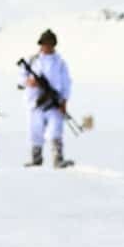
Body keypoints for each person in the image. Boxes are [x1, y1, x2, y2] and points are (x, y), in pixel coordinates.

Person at [20, 29, 73, 168]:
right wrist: (30, 82)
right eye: (45, 43)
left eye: (50, 43)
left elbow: (67, 83)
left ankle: (58, 159)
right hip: (35, 102)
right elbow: (21, 79)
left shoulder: (60, 63)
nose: (47, 46)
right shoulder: (32, 61)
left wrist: (64, 101)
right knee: (35, 131)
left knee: (55, 130)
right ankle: (36, 159)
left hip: (54, 102)